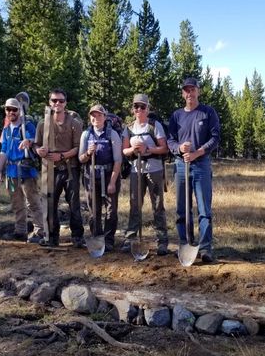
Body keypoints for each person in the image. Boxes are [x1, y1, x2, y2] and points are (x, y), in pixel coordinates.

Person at [167, 78, 220, 263]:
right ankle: (185, 243)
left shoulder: (207, 113)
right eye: (186, 90)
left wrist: (197, 153)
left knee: (204, 209)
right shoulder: (176, 116)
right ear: (183, 93)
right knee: (182, 209)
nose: (190, 93)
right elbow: (170, 140)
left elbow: (214, 138)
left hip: (201, 166)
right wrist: (180, 149)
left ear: (198, 91)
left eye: (193, 89)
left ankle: (205, 248)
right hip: (181, 166)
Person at [34, 89, 85, 248]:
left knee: (74, 204)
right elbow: (37, 143)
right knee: (49, 203)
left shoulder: (74, 124)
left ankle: (77, 237)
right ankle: (51, 236)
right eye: (54, 100)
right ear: (49, 102)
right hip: (50, 169)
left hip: (70, 168)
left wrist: (62, 156)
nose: (58, 103)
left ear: (65, 103)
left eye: (61, 101)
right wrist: (38, 150)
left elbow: (78, 148)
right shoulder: (43, 123)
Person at [120, 94, 169, 256]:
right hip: (136, 170)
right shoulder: (128, 128)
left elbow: (164, 148)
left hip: (154, 170)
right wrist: (134, 150)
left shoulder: (155, 126)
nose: (139, 109)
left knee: (158, 205)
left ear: (148, 108)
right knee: (135, 204)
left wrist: (148, 150)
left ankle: (162, 241)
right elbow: (124, 150)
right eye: (136, 106)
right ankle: (131, 238)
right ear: (132, 109)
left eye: (142, 106)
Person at [0, 98, 44, 242]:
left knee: (33, 202)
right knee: (17, 204)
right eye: (8, 109)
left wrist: (28, 141)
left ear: (20, 110)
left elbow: (35, 140)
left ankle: (39, 231)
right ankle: (20, 230)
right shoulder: (6, 130)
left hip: (26, 170)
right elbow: (3, 151)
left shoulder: (27, 126)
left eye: (14, 109)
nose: (11, 112)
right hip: (11, 172)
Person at [78, 104, 122, 252]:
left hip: (109, 174)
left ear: (104, 117)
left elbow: (118, 160)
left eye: (99, 115)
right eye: (93, 115)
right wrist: (89, 154)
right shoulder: (86, 134)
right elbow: (81, 158)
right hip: (91, 176)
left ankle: (109, 240)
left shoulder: (112, 134)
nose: (96, 118)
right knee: (94, 210)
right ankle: (97, 238)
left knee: (111, 210)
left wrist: (112, 182)